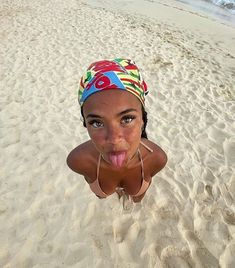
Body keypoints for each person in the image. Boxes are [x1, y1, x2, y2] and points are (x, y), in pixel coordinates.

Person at [67, 58, 167, 203]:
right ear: (86, 125)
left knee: (137, 198)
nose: (114, 139)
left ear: (143, 119)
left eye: (126, 119)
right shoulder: (78, 161)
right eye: (96, 123)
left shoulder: (157, 158)